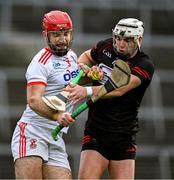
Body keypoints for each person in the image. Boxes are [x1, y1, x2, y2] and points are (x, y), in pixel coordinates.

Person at [65, 18, 155, 179]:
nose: (120, 44)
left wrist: (85, 91)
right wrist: (86, 68)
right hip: (96, 132)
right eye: (118, 38)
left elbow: (119, 89)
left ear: (138, 40)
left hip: (124, 136)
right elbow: (85, 57)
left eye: (127, 40)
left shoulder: (144, 64)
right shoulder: (105, 46)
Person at [11, 10, 76, 179]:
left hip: (56, 136)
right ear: (45, 35)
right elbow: (34, 100)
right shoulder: (40, 62)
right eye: (56, 35)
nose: (62, 40)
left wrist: (92, 73)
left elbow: (75, 83)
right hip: (33, 131)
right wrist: (57, 116)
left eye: (66, 34)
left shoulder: (73, 57)